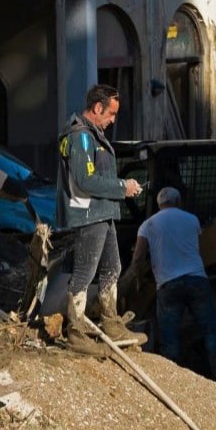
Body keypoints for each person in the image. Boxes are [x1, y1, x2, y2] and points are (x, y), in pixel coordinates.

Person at [56, 84, 145, 356]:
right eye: (111, 114)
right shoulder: (81, 137)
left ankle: (111, 323)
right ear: (97, 108)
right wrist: (122, 188)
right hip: (89, 214)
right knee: (85, 272)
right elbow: (85, 180)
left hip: (102, 213)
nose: (113, 120)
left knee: (113, 268)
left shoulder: (91, 135)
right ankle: (76, 332)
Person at [132, 187, 216, 386]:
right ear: (179, 202)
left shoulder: (147, 225)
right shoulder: (192, 219)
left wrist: (138, 280)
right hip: (197, 280)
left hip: (168, 285)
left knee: (170, 338)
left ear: (159, 204)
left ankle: (173, 386)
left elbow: (138, 258)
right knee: (210, 331)